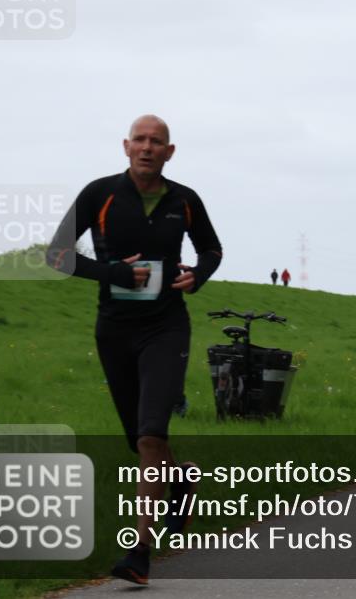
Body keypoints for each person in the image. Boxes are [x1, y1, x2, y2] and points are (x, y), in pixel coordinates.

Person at [46, 115, 223, 585]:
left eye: (157, 142)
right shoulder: (99, 194)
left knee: (150, 436)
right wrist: (113, 274)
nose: (147, 147)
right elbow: (57, 255)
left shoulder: (184, 200)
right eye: (140, 140)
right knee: (141, 443)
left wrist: (197, 275)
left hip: (166, 328)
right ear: (126, 147)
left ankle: (138, 553)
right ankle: (181, 480)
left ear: (170, 152)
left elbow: (211, 249)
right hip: (114, 330)